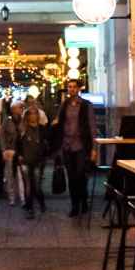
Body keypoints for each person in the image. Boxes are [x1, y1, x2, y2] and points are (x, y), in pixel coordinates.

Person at [52, 79, 96, 216]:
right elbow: (58, 121)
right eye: (69, 87)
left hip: (81, 146)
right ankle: (75, 205)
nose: (71, 89)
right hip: (67, 146)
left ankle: (83, 201)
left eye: (73, 87)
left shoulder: (86, 105)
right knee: (71, 177)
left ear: (78, 89)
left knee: (80, 175)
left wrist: (94, 148)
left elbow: (92, 126)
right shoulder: (64, 105)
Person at [19, 97, 49, 217]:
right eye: (31, 113)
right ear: (27, 116)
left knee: (36, 185)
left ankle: (41, 203)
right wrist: (19, 155)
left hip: (38, 160)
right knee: (28, 185)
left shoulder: (42, 129)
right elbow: (18, 143)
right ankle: (30, 207)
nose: (33, 115)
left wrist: (44, 155)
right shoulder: (22, 129)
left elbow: (46, 143)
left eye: (35, 113)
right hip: (25, 159)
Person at [1, 101, 23, 206]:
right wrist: (4, 150)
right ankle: (12, 197)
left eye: (21, 108)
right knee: (10, 175)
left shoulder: (24, 120)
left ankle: (23, 197)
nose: (21, 110)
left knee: (21, 175)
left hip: (22, 151)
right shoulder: (7, 121)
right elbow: (2, 136)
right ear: (13, 109)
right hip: (10, 151)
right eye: (19, 108)